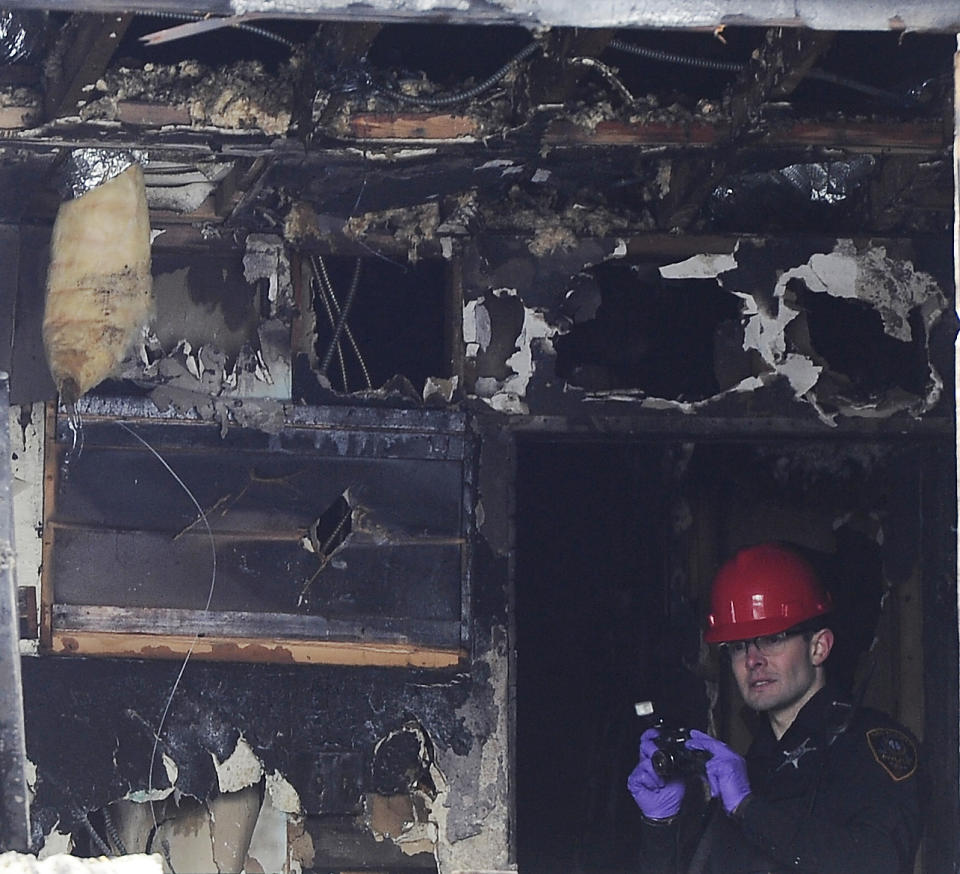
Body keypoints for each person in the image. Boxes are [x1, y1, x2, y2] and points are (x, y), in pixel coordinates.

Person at [627, 542, 922, 874]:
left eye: (772, 638)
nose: (753, 660)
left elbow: (878, 863)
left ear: (819, 647)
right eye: (738, 646)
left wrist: (750, 810)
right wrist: (660, 826)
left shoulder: (869, 748)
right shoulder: (753, 768)